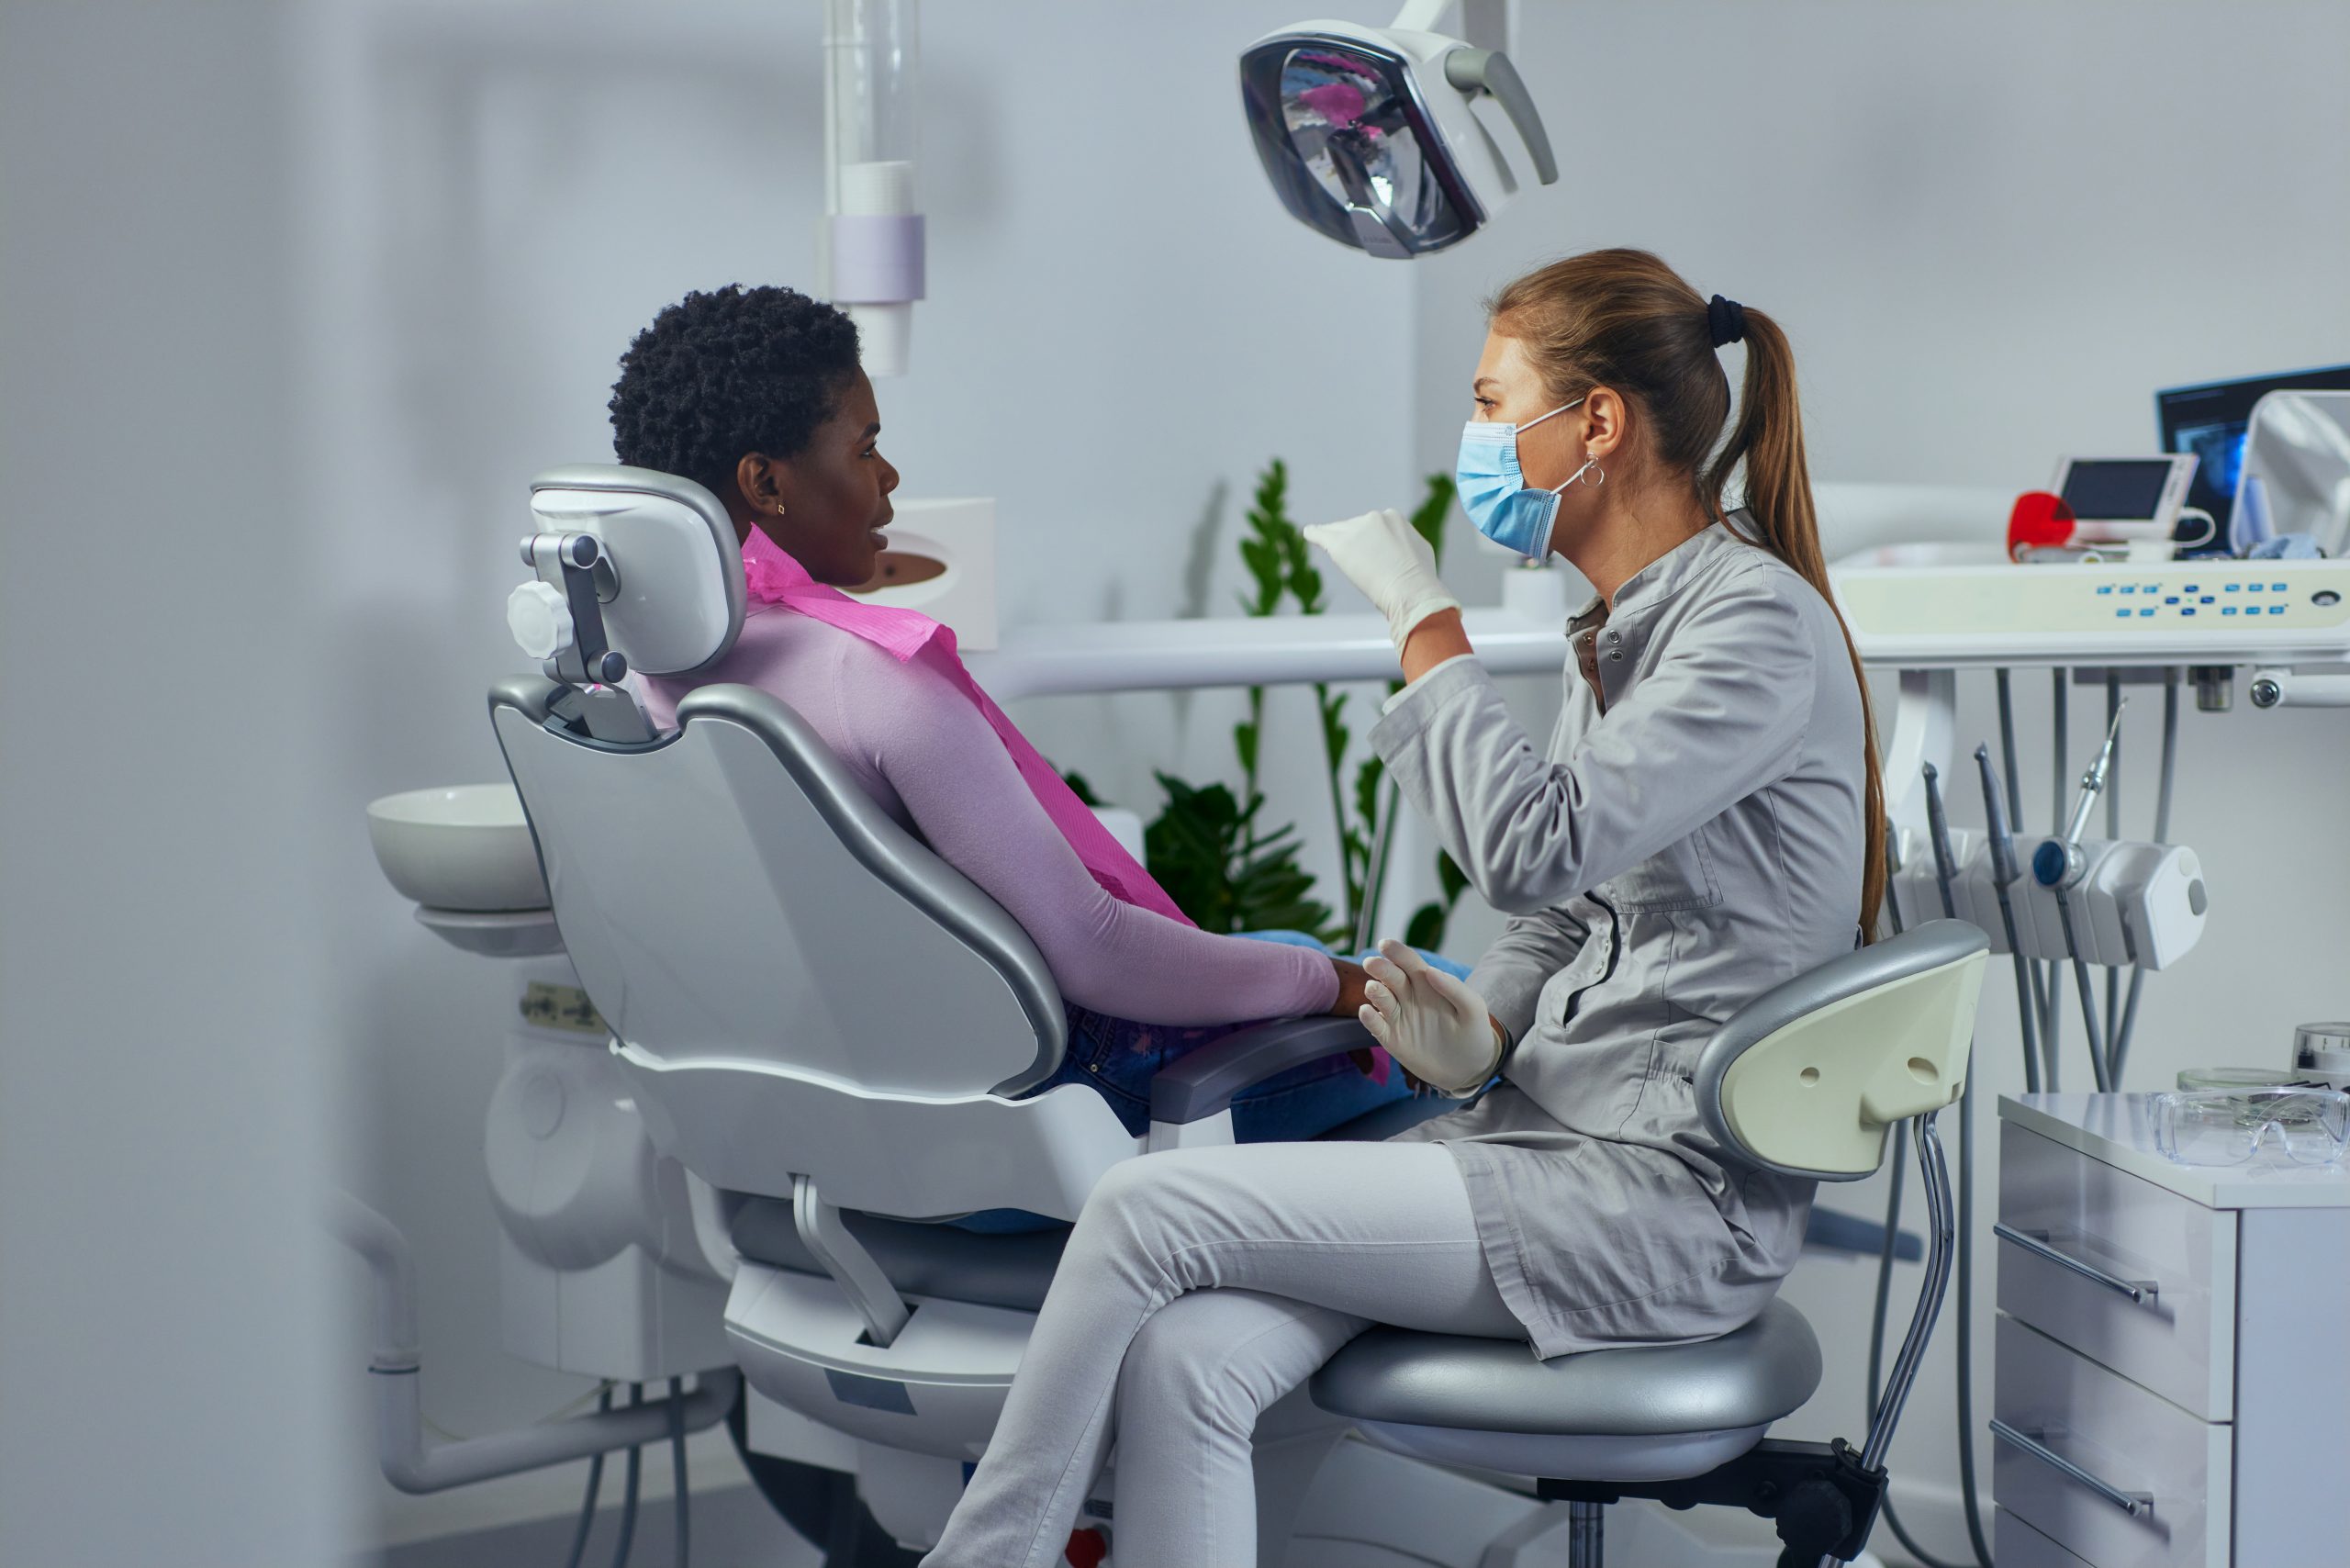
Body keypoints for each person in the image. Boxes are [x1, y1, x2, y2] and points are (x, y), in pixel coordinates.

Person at [920, 248, 1886, 1568]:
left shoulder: (1752, 627)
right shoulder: (1628, 622)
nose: (1473, 439)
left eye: (1493, 405)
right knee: (1191, 1359)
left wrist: (1426, 622)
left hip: (1663, 1202)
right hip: (1542, 1148)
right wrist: (1483, 1028)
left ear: (1598, 423)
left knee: (1142, 1210)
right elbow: (1570, 911)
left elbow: (1535, 847)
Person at [607, 284, 1423, 1166]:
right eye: (866, 448)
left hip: (856, 1127)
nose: (888, 476)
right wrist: (1332, 984)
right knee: (1449, 1002)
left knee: (1293, 952)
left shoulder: (656, 678)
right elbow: (1097, 950)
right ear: (766, 482)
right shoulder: (873, 678)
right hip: (1061, 1114)